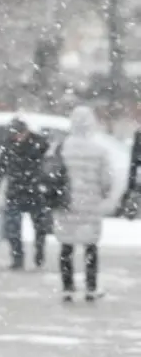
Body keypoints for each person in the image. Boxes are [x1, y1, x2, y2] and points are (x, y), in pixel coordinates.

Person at [55, 107, 110, 302]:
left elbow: (53, 173)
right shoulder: (99, 150)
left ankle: (67, 286)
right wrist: (101, 192)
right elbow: (106, 181)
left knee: (66, 245)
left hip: (67, 201)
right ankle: (91, 287)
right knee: (90, 246)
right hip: (90, 203)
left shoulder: (63, 147)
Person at [0, 118, 53, 270]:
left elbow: (49, 164)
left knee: (40, 227)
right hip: (15, 191)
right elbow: (0, 167)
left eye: (18, 134)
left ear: (26, 132)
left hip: (35, 191)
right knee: (12, 228)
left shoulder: (39, 144)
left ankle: (39, 252)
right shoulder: (9, 146)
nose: (16, 137)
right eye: (13, 134)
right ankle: (17, 257)